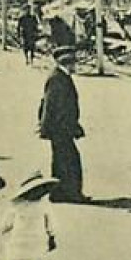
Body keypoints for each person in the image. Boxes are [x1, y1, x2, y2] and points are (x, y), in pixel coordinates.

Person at [4, 171, 60, 260]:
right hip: (20, 241)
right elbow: (7, 222)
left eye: (41, 190)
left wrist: (52, 236)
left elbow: (50, 221)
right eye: (35, 190)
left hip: (38, 241)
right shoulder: (17, 206)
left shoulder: (44, 205)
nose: (38, 193)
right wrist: (2, 231)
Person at [38, 46, 86, 202]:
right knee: (69, 161)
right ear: (67, 63)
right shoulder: (57, 78)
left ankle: (59, 193)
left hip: (62, 127)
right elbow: (49, 105)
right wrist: (48, 127)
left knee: (62, 160)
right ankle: (70, 194)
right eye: (74, 63)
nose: (76, 66)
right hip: (59, 128)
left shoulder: (61, 76)